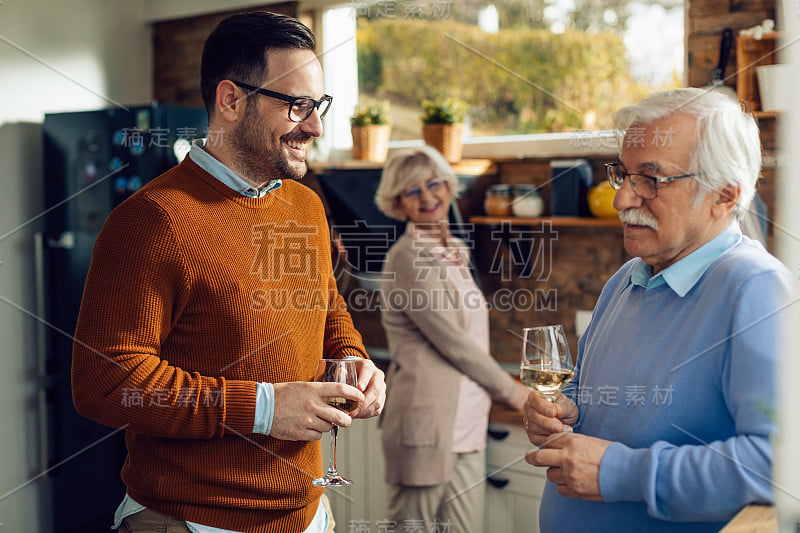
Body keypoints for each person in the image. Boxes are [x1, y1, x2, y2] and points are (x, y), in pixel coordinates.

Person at [71, 11, 385, 533]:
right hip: (191, 522)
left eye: (319, 105)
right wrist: (263, 409)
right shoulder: (152, 220)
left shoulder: (305, 206)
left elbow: (328, 313)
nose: (315, 126)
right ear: (232, 100)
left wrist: (352, 358)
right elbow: (105, 384)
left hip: (309, 516)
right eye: (297, 106)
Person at [523, 87, 790, 532]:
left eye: (651, 180)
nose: (621, 201)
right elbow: (592, 396)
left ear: (723, 195)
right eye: (622, 175)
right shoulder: (627, 278)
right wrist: (564, 410)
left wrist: (619, 472)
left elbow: (778, 464)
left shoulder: (755, 288)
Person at [374, 146, 529, 533]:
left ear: (449, 186)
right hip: (426, 425)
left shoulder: (456, 250)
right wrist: (514, 393)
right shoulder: (407, 258)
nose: (427, 197)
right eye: (412, 191)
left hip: (469, 424)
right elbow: (454, 343)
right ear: (398, 203)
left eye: (433, 184)